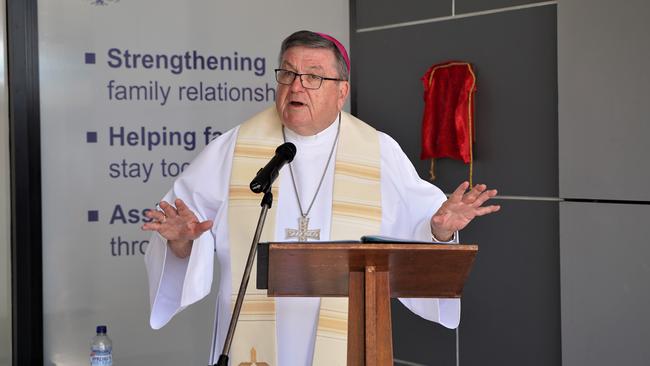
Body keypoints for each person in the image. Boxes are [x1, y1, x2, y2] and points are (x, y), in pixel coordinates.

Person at [143, 30, 500, 366]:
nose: (297, 85)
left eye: (313, 76)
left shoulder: (377, 151)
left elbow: (418, 236)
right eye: (288, 73)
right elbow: (189, 232)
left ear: (341, 91)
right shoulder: (234, 148)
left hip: (346, 332)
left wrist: (438, 232)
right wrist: (179, 243)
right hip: (254, 339)